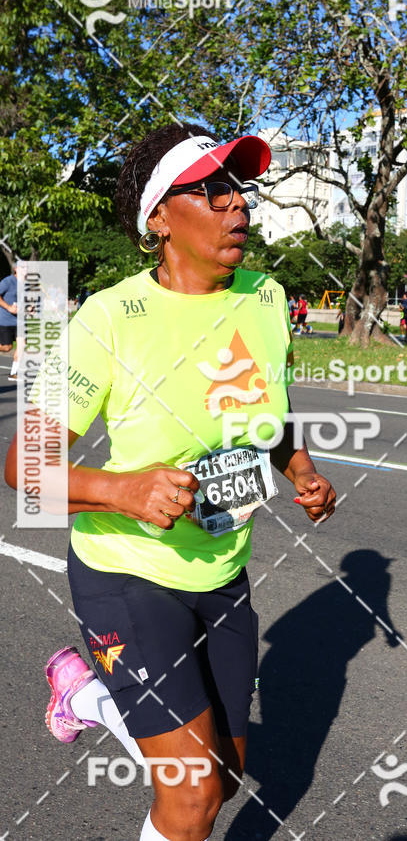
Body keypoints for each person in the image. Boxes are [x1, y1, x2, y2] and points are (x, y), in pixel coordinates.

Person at [4, 123, 336, 841]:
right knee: (191, 802)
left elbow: (267, 407)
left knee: (225, 778)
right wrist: (122, 491)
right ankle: (95, 692)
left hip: (223, 571)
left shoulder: (267, 297)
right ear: (158, 217)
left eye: (240, 191)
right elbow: (23, 466)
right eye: (213, 191)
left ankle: (86, 697)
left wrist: (301, 469)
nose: (238, 207)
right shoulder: (109, 320)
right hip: (126, 573)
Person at [0, 265, 20, 381]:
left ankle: (14, 373)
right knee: (7, 347)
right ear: (16, 269)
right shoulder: (8, 281)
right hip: (6, 319)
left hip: (20, 321)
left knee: (22, 345)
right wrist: (8, 307)